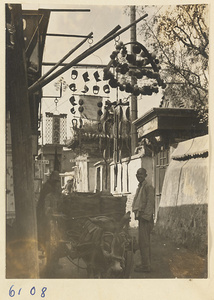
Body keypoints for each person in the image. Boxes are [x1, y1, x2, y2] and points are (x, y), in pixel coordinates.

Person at [132, 167, 155, 273]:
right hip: (142, 217)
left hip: (146, 219)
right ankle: (146, 264)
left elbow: (150, 203)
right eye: (137, 174)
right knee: (142, 242)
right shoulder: (140, 186)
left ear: (145, 176)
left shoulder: (148, 186)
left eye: (141, 175)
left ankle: (146, 266)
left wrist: (145, 217)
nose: (139, 176)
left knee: (144, 243)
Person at [37, 170, 61, 249]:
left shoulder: (50, 186)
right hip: (44, 211)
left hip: (47, 211)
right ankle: (45, 246)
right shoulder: (48, 187)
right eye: (57, 178)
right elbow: (46, 202)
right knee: (46, 229)